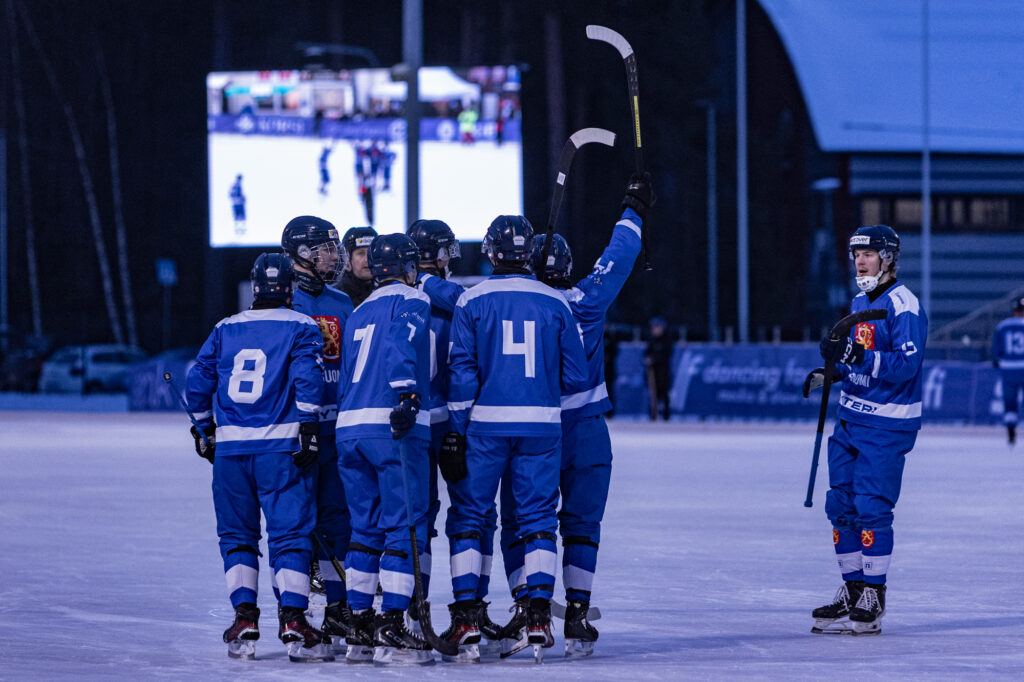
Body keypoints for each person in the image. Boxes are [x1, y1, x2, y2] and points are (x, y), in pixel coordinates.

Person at [497, 173, 653, 658]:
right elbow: (619, 257)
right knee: (582, 526)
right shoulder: (585, 301)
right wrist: (633, 210)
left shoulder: (515, 304)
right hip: (586, 430)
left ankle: (528, 607)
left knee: (523, 522)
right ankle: (579, 615)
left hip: (532, 432)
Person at [440, 215, 589, 662]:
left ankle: (467, 617)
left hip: (485, 425)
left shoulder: (472, 299)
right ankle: (539, 617)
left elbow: (462, 373)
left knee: (470, 517)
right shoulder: (556, 302)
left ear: (490, 252)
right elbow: (575, 376)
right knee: (539, 519)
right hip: (541, 425)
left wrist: (457, 429)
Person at [186, 253, 333, 662]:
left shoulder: (225, 327)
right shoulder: (302, 325)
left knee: (237, 537)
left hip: (232, 452)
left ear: (254, 287)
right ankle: (293, 620)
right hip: (281, 449)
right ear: (289, 288)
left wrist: (204, 429)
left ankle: (244, 618)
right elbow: (307, 379)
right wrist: (309, 429)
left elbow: (197, 382)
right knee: (289, 536)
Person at [803, 224, 927, 636]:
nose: (860, 260)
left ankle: (874, 593)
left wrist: (860, 354)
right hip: (851, 419)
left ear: (888, 258)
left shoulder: (904, 304)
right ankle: (853, 588)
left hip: (886, 424)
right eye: (856, 253)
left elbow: (906, 364)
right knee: (840, 505)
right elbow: (859, 360)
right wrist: (833, 370)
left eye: (869, 253)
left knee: (872, 507)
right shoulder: (859, 300)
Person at [334, 233, 433, 666]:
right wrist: (407, 396)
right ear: (409, 268)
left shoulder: (358, 310)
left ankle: (360, 624)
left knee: (364, 530)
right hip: (389, 427)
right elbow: (399, 347)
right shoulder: (413, 301)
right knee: (403, 526)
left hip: (349, 428)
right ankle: (392, 623)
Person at [407, 219, 502, 657]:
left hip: (407, 423)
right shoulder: (451, 294)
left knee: (416, 520)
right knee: (474, 515)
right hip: (452, 421)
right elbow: (468, 300)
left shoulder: (395, 295)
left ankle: (413, 609)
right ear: (440, 255)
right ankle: (470, 610)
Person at [281, 215, 354, 652]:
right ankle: (295, 612)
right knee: (295, 522)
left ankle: (337, 608)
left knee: (336, 520)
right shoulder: (279, 301)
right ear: (301, 253)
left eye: (332, 247)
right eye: (324, 248)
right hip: (293, 431)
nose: (332, 255)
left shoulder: (343, 302)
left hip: (335, 428)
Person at [992, 297, 1024, 445]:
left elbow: (997, 351)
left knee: (1010, 403)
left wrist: (998, 360)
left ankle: (1011, 433)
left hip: (1008, 368)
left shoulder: (1002, 326)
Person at [340, 226, 378, 307]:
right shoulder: (336, 296)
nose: (367, 260)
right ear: (347, 259)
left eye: (371, 253)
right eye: (361, 253)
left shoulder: (386, 291)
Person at [643, 317, 673, 420]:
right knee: (652, 393)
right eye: (653, 327)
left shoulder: (666, 340)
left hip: (663, 372)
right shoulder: (651, 340)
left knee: (664, 392)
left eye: (657, 327)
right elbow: (646, 353)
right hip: (652, 372)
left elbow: (666, 354)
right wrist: (647, 359)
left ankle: (666, 414)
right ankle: (653, 412)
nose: (655, 330)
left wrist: (654, 359)